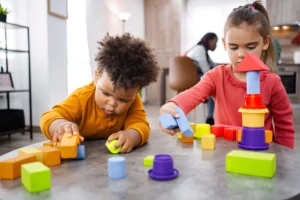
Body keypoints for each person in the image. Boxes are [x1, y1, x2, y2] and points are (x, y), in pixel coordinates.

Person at [159, 1, 294, 149]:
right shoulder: (217, 76)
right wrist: (171, 106)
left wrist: (285, 159)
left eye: (250, 47)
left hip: (261, 152)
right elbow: (193, 94)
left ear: (266, 42)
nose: (241, 54)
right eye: (233, 47)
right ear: (224, 44)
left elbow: (284, 126)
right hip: (223, 153)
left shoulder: (272, 82)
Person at [40, 33, 160, 153]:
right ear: (97, 77)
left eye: (123, 100)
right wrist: (59, 125)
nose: (112, 103)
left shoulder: (133, 100)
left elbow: (141, 125)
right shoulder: (82, 97)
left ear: (136, 92)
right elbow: (49, 117)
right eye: (106, 94)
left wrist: (132, 136)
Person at [185, 33, 218, 125]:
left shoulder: (202, 50)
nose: (216, 45)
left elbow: (211, 64)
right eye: (215, 42)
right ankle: (210, 116)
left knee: (213, 83)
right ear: (209, 41)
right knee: (213, 84)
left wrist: (219, 67)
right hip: (192, 78)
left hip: (188, 78)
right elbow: (206, 70)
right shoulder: (200, 49)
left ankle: (210, 113)